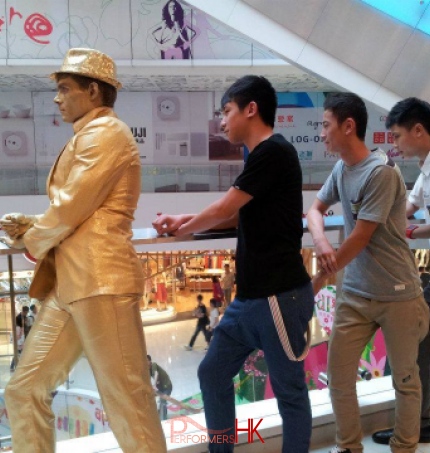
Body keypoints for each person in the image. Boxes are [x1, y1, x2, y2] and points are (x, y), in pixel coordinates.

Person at [0, 48, 166, 453]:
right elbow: (76, 207)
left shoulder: (107, 133)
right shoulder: (89, 135)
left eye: (64, 89)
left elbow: (73, 204)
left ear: (93, 91)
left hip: (101, 282)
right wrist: (33, 227)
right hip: (73, 285)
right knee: (24, 391)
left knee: (127, 399)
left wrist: (31, 239)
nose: (57, 98)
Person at [153, 75, 314, 453]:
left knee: (290, 392)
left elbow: (226, 207)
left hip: (279, 296)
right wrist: (185, 221)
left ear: (251, 109)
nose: (222, 122)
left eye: (226, 112)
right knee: (211, 373)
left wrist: (184, 229)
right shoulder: (258, 156)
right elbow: (236, 214)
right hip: (250, 300)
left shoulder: (273, 151)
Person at [307, 92, 429, 453]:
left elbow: (360, 236)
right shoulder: (341, 169)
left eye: (326, 126)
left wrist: (317, 279)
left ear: (348, 126)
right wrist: (321, 241)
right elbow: (315, 209)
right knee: (339, 379)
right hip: (356, 294)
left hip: (399, 294)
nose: (322, 134)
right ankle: (348, 447)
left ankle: (404, 446)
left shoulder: (381, 172)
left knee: (406, 380)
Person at [372, 97, 430, 446]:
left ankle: (420, 422)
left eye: (396, 136)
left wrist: (407, 231)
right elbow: (408, 207)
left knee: (417, 344)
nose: (394, 144)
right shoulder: (426, 168)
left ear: (419, 130)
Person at [147, 354, 173, 420]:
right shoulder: (148, 370)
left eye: (147, 361)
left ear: (150, 361)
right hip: (161, 388)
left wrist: (154, 384)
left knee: (163, 401)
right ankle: (157, 413)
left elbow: (156, 374)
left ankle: (163, 419)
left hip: (167, 386)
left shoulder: (153, 365)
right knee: (151, 397)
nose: (146, 363)